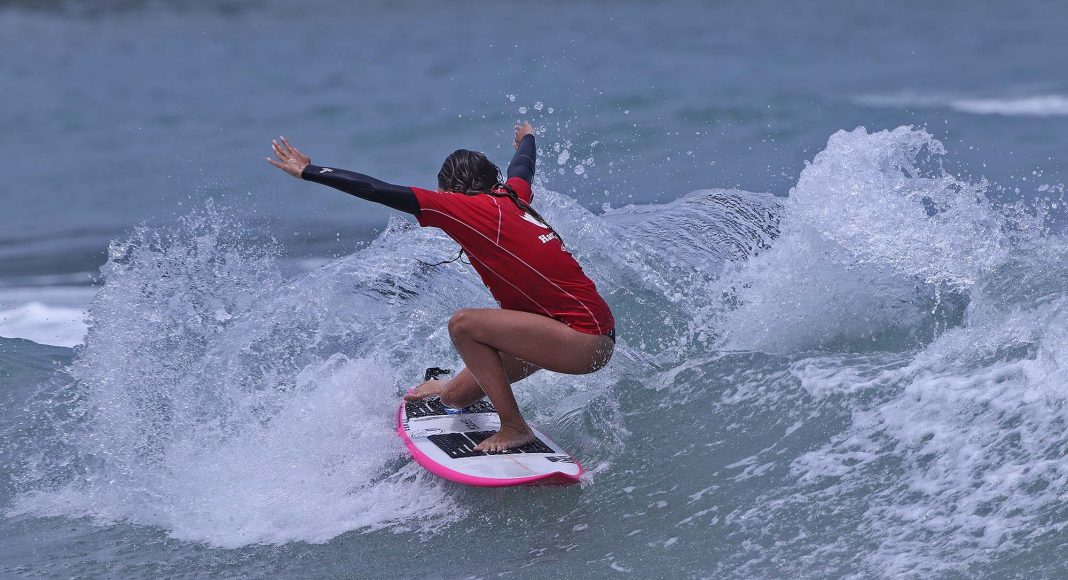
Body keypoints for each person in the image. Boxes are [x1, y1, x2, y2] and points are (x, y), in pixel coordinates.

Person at [268, 123, 615, 452]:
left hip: (581, 340)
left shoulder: (462, 208)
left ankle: (514, 427)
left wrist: (310, 171)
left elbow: (378, 189)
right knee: (454, 399)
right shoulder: (514, 196)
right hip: (581, 337)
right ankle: (448, 389)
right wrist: (528, 138)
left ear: (449, 190)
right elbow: (522, 166)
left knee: (463, 324)